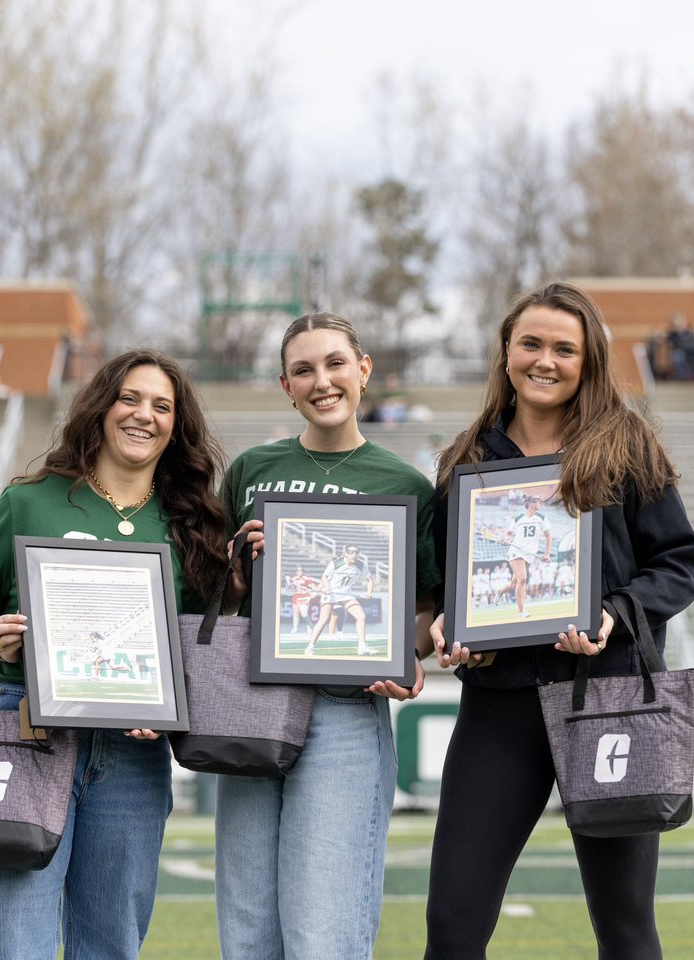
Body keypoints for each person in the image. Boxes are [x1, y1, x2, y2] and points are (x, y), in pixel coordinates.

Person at [423, 282, 694, 960]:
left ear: (589, 360)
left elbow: (678, 563)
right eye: (532, 344)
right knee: (453, 926)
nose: (545, 360)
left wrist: (615, 613)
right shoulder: (469, 460)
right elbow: (444, 590)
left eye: (564, 349)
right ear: (506, 352)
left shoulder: (626, 445)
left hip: (606, 704)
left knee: (626, 928)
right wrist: (453, 635)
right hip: (500, 710)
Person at [0, 349, 229, 960]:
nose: (143, 415)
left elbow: (198, 645)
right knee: (12, 939)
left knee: (112, 943)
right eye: (130, 398)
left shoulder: (191, 523)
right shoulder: (32, 501)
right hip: (28, 729)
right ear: (102, 407)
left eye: (162, 406)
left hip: (133, 753)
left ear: (176, 426)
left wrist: (170, 696)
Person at [216, 312, 441, 960]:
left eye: (335, 363)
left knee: (324, 938)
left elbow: (425, 614)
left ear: (363, 370)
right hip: (254, 707)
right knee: (249, 935)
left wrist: (410, 654)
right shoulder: (252, 471)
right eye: (304, 370)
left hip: (345, 713)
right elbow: (222, 600)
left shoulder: (406, 485)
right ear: (286, 386)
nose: (323, 380)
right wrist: (236, 565)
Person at [305, 544, 375, 657]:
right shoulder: (336, 563)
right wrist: (327, 588)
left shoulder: (361, 565)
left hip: (346, 594)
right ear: (345, 554)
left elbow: (370, 580)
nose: (354, 555)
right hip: (331, 593)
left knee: (361, 616)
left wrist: (369, 592)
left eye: (356, 552)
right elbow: (324, 577)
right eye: (351, 552)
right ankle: (310, 647)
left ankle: (362, 647)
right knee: (323, 620)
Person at [493, 493, 551, 619]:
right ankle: (521, 611)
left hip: (530, 554)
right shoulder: (518, 518)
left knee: (514, 583)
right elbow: (508, 534)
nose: (540, 503)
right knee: (523, 579)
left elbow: (548, 536)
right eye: (537, 500)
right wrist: (507, 539)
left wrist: (547, 554)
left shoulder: (542, 517)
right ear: (530, 504)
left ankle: (500, 591)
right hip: (516, 551)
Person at [665, 311, 694, 381]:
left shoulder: (688, 330)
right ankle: (681, 378)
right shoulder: (673, 333)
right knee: (678, 357)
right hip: (679, 350)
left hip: (692, 350)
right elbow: (668, 340)